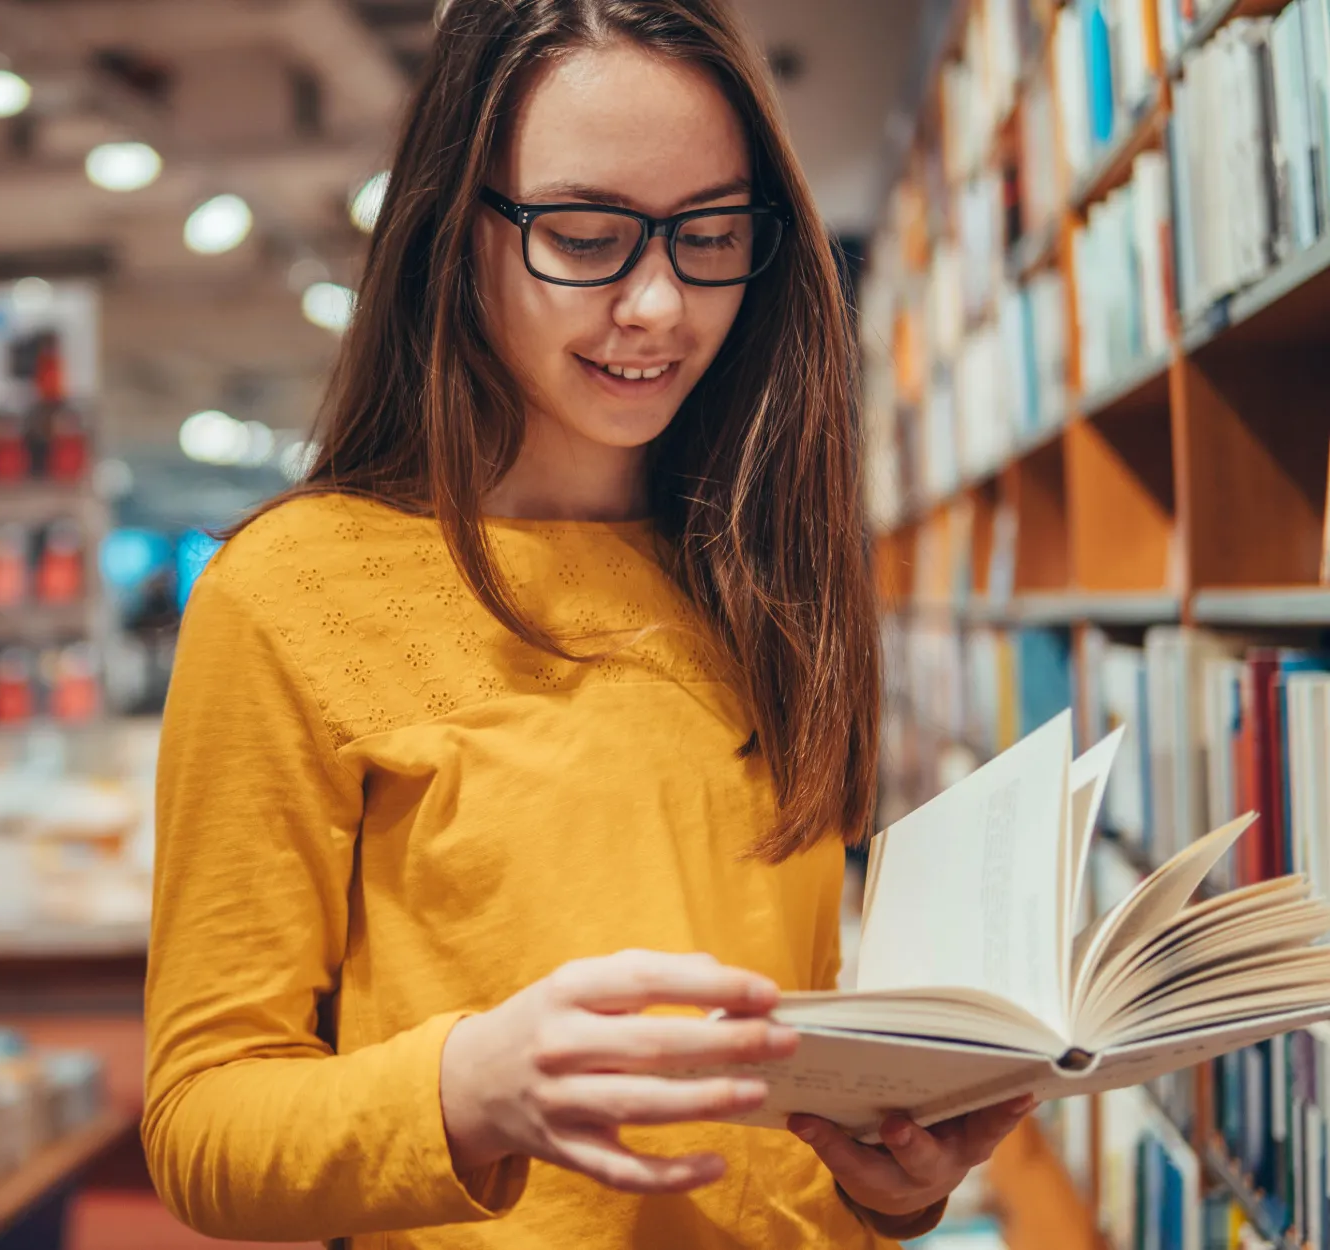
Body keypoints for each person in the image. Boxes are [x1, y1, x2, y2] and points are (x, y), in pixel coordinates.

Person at [141, 3, 1032, 1247]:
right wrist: (466, 1090)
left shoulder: (768, 570)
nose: (660, 304)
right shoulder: (289, 591)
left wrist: (895, 1177)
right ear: (454, 232)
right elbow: (199, 1123)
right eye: (584, 235)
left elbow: (797, 1080)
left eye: (709, 234)